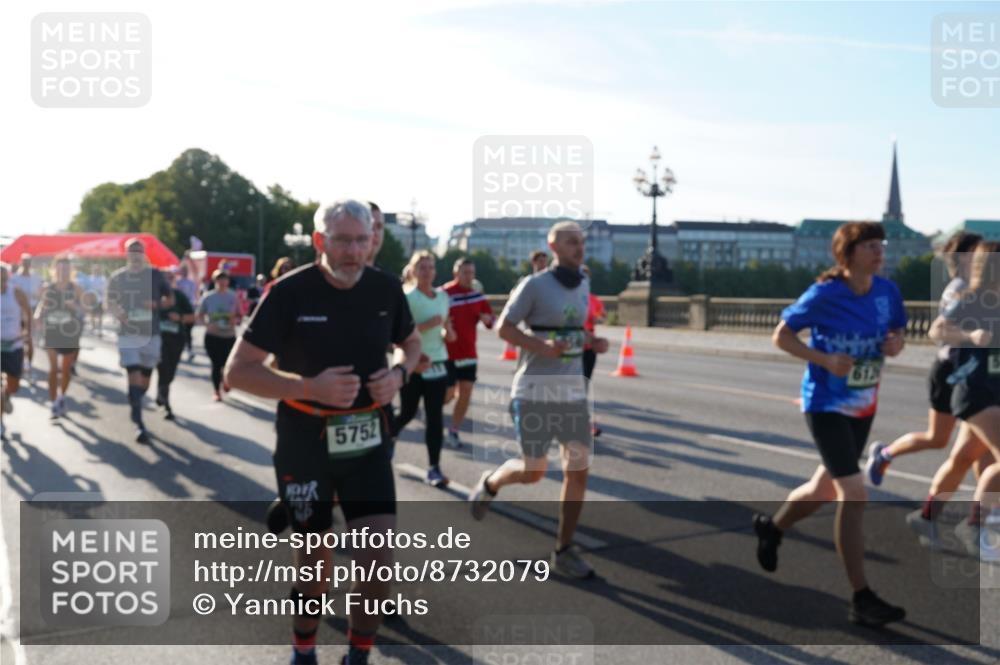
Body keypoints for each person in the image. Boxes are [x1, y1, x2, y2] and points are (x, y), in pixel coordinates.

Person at [225, 199, 420, 665]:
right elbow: (238, 372)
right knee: (315, 563)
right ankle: (304, 647)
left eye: (363, 239)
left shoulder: (386, 289)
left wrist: (399, 374)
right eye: (343, 241)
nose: (355, 251)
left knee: (377, 562)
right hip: (304, 440)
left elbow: (411, 344)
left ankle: (358, 654)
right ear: (319, 242)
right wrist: (309, 386)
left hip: (367, 439)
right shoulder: (290, 292)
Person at [752, 222, 908, 627]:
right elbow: (782, 337)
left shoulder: (886, 291)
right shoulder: (824, 293)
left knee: (822, 489)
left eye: (881, 245)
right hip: (824, 404)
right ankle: (861, 597)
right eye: (870, 246)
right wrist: (822, 359)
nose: (879, 252)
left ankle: (773, 528)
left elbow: (897, 333)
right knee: (853, 494)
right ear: (848, 253)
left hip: (863, 403)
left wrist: (895, 343)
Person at [469, 221, 609, 579]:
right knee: (534, 472)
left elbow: (575, 329)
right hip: (533, 390)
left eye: (581, 242)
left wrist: (592, 341)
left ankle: (563, 550)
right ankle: (491, 483)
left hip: (573, 393)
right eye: (571, 242)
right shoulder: (534, 285)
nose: (579, 247)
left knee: (578, 470)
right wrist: (542, 347)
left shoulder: (584, 284)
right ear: (553, 246)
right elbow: (504, 327)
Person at [866, 232, 985, 486]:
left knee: (979, 447)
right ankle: (885, 454)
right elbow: (940, 331)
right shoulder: (960, 289)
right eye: (979, 253)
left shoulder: (982, 288)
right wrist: (973, 336)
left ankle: (983, 513)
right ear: (963, 258)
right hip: (951, 370)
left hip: (977, 375)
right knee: (937, 439)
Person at [928, 241, 1000, 558]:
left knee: (961, 460)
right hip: (974, 391)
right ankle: (975, 525)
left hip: (995, 392)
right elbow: (937, 330)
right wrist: (969, 337)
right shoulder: (972, 300)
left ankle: (926, 515)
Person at [392, 251, 455, 486]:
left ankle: (434, 468)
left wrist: (448, 333)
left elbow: (447, 329)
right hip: (413, 363)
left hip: (438, 362)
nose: (427, 272)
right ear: (414, 271)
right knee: (407, 412)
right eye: (422, 268)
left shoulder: (442, 297)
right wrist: (426, 325)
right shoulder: (407, 297)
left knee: (435, 418)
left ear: (435, 271)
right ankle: (390, 436)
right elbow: (397, 334)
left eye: (430, 267)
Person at [105, 239, 173, 444]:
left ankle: (136, 400)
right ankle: (139, 423)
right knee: (133, 373)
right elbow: (109, 302)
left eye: (139, 251)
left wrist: (155, 304)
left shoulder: (155, 275)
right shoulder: (118, 277)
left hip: (151, 334)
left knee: (144, 379)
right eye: (131, 251)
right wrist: (120, 314)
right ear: (126, 254)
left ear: (144, 254)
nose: (135, 255)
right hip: (128, 333)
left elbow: (170, 300)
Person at [443, 257, 495, 448]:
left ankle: (454, 430)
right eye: (465, 272)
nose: (468, 276)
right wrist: (444, 328)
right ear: (456, 273)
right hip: (446, 353)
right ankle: (432, 413)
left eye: (471, 273)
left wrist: (487, 319)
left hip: (468, 354)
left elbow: (492, 323)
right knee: (447, 395)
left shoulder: (478, 297)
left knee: (465, 392)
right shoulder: (444, 294)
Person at [35, 256, 85, 419]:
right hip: (52, 330)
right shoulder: (48, 287)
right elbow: (42, 305)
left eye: (66, 268)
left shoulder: (76, 288)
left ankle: (62, 396)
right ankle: (54, 403)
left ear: (71, 271)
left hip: (70, 332)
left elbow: (85, 309)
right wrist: (38, 317)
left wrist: (75, 306)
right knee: (53, 369)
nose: (63, 271)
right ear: (54, 270)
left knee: (66, 370)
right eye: (60, 268)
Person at [155, 270, 195, 420]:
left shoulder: (179, 296)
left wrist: (179, 317)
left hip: (177, 339)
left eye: (170, 278)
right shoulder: (154, 297)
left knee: (170, 371)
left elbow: (192, 317)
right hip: (158, 339)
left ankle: (162, 391)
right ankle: (166, 404)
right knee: (163, 367)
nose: (167, 281)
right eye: (164, 278)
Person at [197, 269, 241, 401]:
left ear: (228, 281)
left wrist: (236, 321)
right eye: (219, 279)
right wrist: (207, 325)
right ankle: (217, 391)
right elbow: (199, 316)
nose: (222, 282)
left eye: (225, 279)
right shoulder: (208, 297)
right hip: (213, 336)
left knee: (228, 364)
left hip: (229, 336)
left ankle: (226, 380)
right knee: (216, 364)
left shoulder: (233, 296)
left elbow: (240, 315)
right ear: (215, 281)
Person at [1, 264, 33, 440]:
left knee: (13, 386)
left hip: (14, 345)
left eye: (4, 278)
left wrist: (28, 333)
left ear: (8, 278)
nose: (2, 282)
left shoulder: (16, 292)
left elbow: (27, 310)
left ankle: (7, 395)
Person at [580, 264, 606, 437]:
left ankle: (582, 421)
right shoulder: (569, 297)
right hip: (572, 349)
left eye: (587, 277)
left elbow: (601, 316)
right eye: (582, 276)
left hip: (589, 348)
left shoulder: (593, 300)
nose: (585, 280)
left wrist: (599, 319)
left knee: (584, 384)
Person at [11, 254, 43, 385]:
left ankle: (28, 364)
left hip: (32, 312)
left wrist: (37, 314)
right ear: (21, 263)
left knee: (30, 340)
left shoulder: (36, 278)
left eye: (28, 262)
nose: (26, 264)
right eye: (24, 262)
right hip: (17, 314)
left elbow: (41, 296)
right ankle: (18, 364)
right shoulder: (15, 279)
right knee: (18, 340)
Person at [175, 265, 199, 361]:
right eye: (183, 270)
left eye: (186, 270)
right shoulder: (177, 282)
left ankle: (189, 350)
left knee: (188, 331)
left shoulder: (191, 283)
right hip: (180, 308)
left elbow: (194, 295)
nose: (184, 272)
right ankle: (179, 350)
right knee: (179, 330)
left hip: (189, 308)